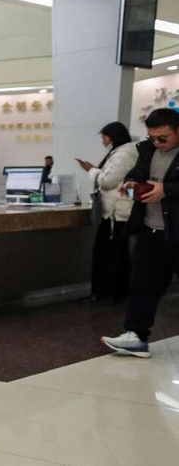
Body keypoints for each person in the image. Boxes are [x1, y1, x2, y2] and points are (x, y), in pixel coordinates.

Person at [102, 109, 179, 358]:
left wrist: (166, 189)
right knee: (142, 284)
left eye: (163, 138)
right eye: (152, 137)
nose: (156, 143)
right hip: (150, 229)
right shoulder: (147, 149)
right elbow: (137, 172)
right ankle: (136, 336)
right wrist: (131, 183)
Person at [76, 122, 137, 304]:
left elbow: (108, 181)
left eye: (104, 137)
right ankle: (114, 293)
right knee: (116, 254)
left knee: (107, 255)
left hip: (114, 213)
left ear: (113, 137)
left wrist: (92, 170)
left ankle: (106, 294)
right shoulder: (124, 153)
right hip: (117, 211)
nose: (103, 141)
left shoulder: (123, 154)